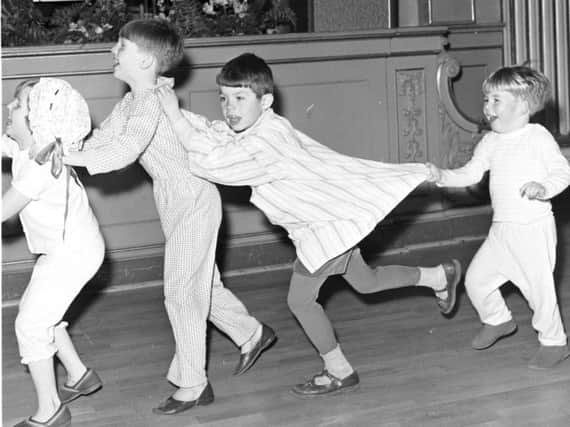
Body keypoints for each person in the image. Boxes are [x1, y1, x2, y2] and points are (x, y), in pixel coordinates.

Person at [156, 52, 462, 397]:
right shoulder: (266, 125)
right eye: (224, 98)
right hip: (333, 222)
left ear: (265, 100)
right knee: (366, 281)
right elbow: (217, 136)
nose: (229, 108)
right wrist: (176, 113)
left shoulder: (266, 142)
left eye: (240, 98)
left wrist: (172, 116)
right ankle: (439, 275)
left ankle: (339, 370)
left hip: (324, 232)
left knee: (300, 301)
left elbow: (214, 164)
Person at [63, 20, 275, 415]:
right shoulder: (135, 101)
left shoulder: (147, 102)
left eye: (120, 46)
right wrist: (66, 146)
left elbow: (124, 151)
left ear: (144, 60)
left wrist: (72, 157)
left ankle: (193, 383)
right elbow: (104, 139)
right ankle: (251, 333)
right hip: (180, 201)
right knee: (200, 285)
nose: (113, 51)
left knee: (181, 290)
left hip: (192, 200)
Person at [427, 65, 570, 369]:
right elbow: (470, 173)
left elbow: (563, 172)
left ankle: (554, 342)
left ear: (523, 106)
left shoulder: (537, 137)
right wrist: (441, 175)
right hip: (501, 229)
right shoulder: (490, 141)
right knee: (477, 280)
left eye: (496, 101)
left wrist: (543, 187)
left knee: (538, 290)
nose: (487, 108)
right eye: (486, 100)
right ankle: (498, 319)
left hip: (532, 229)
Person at [3, 78, 105, 427]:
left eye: (17, 106)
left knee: (31, 323)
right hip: (68, 249)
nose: (8, 108)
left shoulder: (42, 166)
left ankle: (51, 411)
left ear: (37, 124)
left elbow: (3, 211)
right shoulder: (26, 146)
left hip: (72, 254)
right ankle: (78, 374)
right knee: (44, 311)